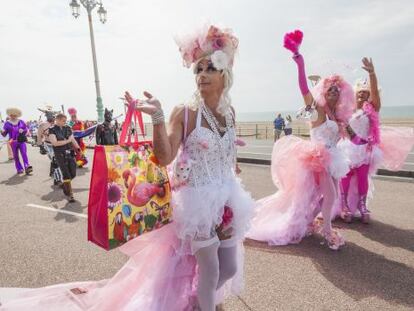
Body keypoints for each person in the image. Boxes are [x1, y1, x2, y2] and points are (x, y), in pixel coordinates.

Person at [0, 25, 253, 311]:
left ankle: (197, 299)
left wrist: (233, 165)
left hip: (228, 195)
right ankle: (205, 304)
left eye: (211, 68)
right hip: (197, 201)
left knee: (228, 268)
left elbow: (227, 147)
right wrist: (157, 117)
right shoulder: (184, 112)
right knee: (209, 270)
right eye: (199, 69)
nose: (203, 74)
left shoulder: (229, 112)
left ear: (225, 74)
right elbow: (165, 155)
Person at [247, 29, 352, 250]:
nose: (333, 91)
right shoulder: (319, 110)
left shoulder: (336, 116)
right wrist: (300, 62)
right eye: (329, 88)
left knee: (327, 195)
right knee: (330, 195)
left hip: (332, 159)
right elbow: (304, 89)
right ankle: (327, 231)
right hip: (317, 157)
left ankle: (312, 221)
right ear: (324, 91)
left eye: (337, 89)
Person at [336, 58, 414, 223]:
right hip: (346, 148)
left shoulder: (372, 109)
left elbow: (376, 96)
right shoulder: (346, 109)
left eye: (366, 92)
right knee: (345, 177)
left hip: (364, 149)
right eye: (360, 91)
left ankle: (362, 206)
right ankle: (343, 205)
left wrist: (372, 73)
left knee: (363, 178)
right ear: (355, 93)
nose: (363, 93)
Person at [48, 113, 80, 202]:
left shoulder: (67, 128)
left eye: (65, 121)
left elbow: (72, 139)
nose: (65, 122)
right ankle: (70, 194)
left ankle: (65, 186)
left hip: (69, 152)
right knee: (66, 174)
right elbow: (54, 143)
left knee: (73, 173)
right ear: (57, 120)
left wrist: (78, 149)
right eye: (63, 121)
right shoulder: (52, 130)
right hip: (59, 154)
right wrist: (67, 141)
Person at [1, 108, 33, 175]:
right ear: (10, 115)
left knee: (24, 154)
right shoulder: (7, 123)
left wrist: (23, 131)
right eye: (12, 114)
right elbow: (4, 134)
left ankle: (27, 167)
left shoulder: (21, 121)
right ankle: (19, 169)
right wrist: (2, 131)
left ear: (17, 115)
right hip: (13, 142)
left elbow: (26, 130)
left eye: (15, 115)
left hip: (21, 141)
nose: (13, 116)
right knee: (16, 156)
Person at [37, 109, 63, 186]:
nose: (52, 116)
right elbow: (39, 136)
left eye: (53, 115)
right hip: (48, 145)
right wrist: (41, 146)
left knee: (59, 161)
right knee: (55, 160)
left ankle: (55, 178)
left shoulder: (57, 124)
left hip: (58, 145)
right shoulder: (42, 125)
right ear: (46, 116)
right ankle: (58, 180)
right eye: (49, 115)